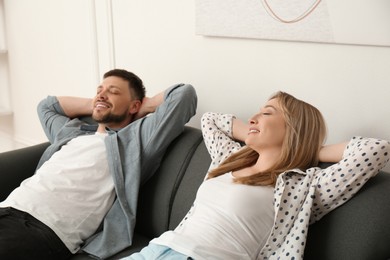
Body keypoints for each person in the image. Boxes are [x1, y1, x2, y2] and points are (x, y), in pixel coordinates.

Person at [126, 91, 390, 260]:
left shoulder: (303, 186)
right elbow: (211, 120)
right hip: (158, 249)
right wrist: (252, 134)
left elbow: (376, 150)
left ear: (294, 130)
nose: (252, 118)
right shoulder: (229, 158)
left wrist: (309, 149)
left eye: (266, 113)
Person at [0, 69, 197, 260]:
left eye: (113, 92)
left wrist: (143, 107)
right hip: (7, 207)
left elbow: (184, 95)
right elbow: (47, 106)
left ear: (134, 106)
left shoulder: (135, 143)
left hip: (41, 229)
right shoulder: (72, 131)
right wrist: (97, 104)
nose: (102, 95)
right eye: (99, 90)